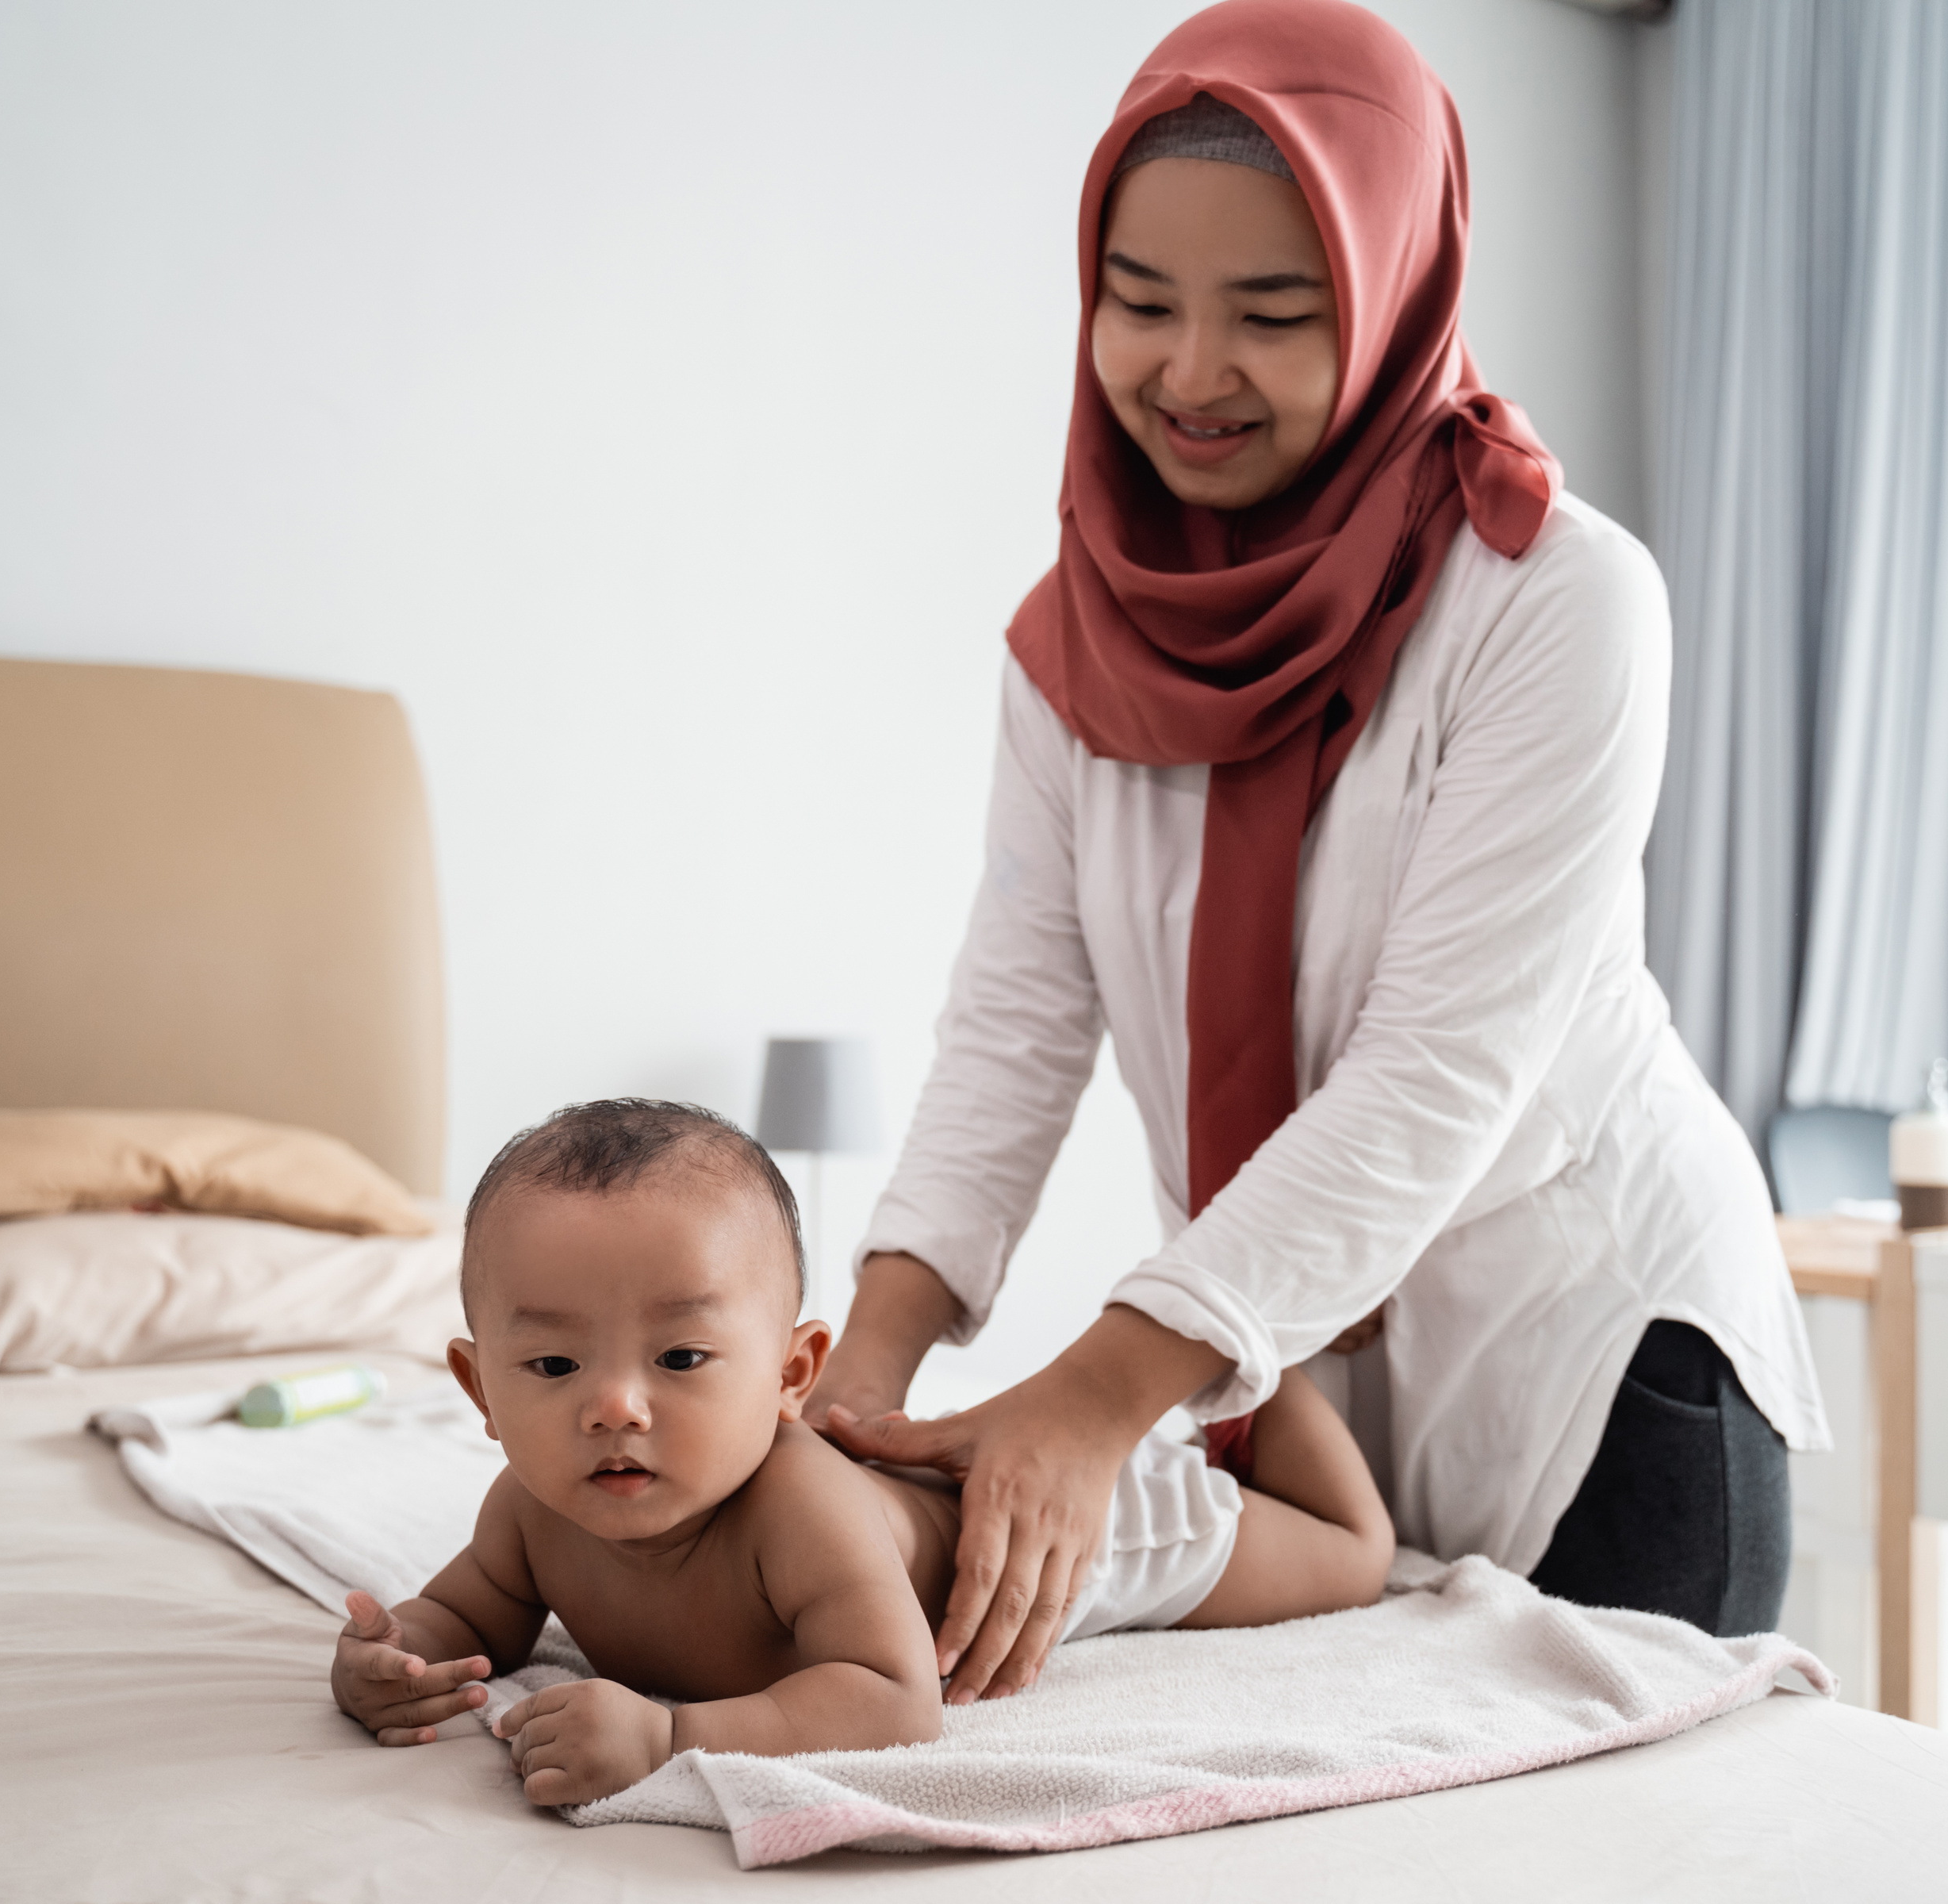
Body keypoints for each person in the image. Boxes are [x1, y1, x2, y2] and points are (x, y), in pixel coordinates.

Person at [810, 0, 1829, 1706]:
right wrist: (854, 1394)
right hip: (1283, 1390)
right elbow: (1013, 1032)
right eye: (1138, 304)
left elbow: (1437, 1073)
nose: (1189, 375)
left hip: (1593, 1363)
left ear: (1391, 300)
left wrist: (1088, 1398)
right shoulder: (1071, 647)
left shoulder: (1559, 604)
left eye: (1274, 316)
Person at [327, 1099, 1391, 1804]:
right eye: (553, 1368)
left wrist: (669, 1738)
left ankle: (1279, 1351)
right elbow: (470, 1621)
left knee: (1352, 1556)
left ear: (793, 1375)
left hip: (1042, 1536)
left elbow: (893, 1700)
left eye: (683, 1356)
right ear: (480, 1389)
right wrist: (397, 1658)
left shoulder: (797, 1507)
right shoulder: (531, 1508)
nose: (615, 1407)